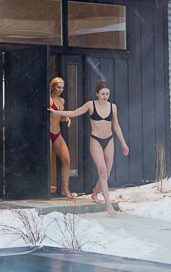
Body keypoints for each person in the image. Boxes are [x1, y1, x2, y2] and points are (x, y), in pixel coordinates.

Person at [50, 79, 129, 215]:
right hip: (96, 141)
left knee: (107, 172)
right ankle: (108, 205)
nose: (105, 96)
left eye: (107, 94)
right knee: (102, 172)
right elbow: (74, 113)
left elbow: (116, 126)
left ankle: (94, 194)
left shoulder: (113, 107)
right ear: (97, 94)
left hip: (109, 140)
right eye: (102, 94)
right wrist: (57, 113)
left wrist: (123, 143)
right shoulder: (91, 105)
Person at [48, 77, 74, 199]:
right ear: (52, 87)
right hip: (48, 131)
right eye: (58, 87)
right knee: (47, 160)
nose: (60, 90)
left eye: (62, 88)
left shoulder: (61, 100)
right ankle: (45, 187)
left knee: (66, 160)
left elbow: (60, 117)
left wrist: (66, 118)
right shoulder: (48, 99)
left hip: (57, 132)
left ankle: (65, 189)